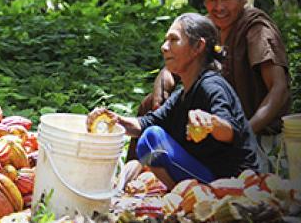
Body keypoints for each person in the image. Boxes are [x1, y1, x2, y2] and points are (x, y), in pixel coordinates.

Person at [137, 0, 290, 171]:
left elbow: (279, 89)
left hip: (255, 134)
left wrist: (244, 134)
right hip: (208, 125)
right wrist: (163, 79)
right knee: (149, 107)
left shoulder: (257, 29)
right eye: (212, 0)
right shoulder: (208, 26)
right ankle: (134, 177)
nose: (219, 8)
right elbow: (177, 61)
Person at [88, 13, 260, 189]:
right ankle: (183, 196)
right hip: (211, 176)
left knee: (152, 139)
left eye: (173, 40)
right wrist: (114, 120)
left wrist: (211, 123)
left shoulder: (212, 86)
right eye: (165, 40)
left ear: (198, 47)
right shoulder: (182, 95)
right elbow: (146, 123)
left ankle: (185, 196)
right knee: (150, 137)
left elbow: (231, 131)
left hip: (239, 183)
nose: (164, 47)